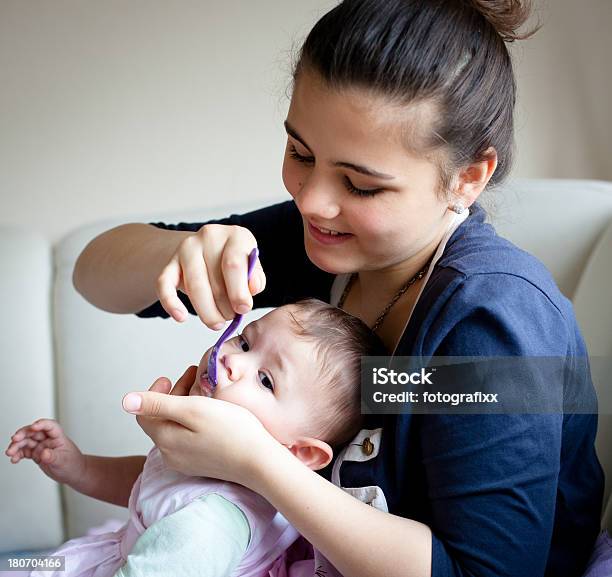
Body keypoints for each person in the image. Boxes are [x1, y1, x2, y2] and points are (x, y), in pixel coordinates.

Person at [70, 1, 604, 576]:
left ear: (468, 177)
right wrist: (177, 252)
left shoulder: (493, 323)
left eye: (360, 184)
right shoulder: (334, 244)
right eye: (301, 153)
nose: (312, 200)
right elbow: (92, 275)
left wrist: (258, 464)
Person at [5, 300, 385, 577]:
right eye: (246, 343)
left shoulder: (210, 525)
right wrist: (79, 466)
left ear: (299, 451)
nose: (231, 361)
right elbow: (155, 486)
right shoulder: (204, 464)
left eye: (266, 380)